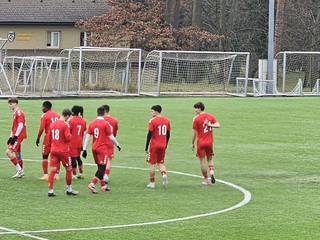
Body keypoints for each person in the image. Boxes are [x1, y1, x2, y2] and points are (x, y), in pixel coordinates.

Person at [82, 107, 121, 194]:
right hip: (102, 148)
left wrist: (84, 149)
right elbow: (111, 137)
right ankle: (92, 184)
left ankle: (103, 186)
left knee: (100, 167)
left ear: (97, 113)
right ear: (104, 114)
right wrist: (117, 144)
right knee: (102, 167)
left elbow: (88, 137)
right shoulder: (105, 123)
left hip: (94, 148)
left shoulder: (92, 123)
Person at [47, 109, 78, 197]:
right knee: (69, 168)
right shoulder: (65, 125)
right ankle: (69, 189)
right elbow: (68, 138)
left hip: (53, 150)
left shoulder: (52, 124)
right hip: (63, 150)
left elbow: (49, 138)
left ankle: (50, 190)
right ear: (67, 116)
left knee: (53, 170)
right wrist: (71, 135)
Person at [191, 102, 220, 186]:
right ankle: (211, 171)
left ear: (199, 108)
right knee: (210, 159)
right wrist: (210, 125)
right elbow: (218, 125)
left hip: (201, 142)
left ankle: (206, 180)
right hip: (209, 141)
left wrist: (192, 143)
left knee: (202, 161)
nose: (194, 110)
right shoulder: (210, 116)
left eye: (195, 108)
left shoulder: (196, 119)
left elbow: (195, 133)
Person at [145, 105, 170, 189]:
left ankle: (152, 183)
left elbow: (149, 134)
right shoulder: (167, 121)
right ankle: (164, 174)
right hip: (163, 145)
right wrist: (166, 144)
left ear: (156, 111)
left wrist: (146, 146)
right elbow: (168, 134)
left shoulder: (152, 121)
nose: (151, 113)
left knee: (152, 163)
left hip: (154, 145)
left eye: (152, 111)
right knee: (161, 162)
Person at [36, 101, 60, 181]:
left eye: (42, 107)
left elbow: (42, 128)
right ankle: (57, 175)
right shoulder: (57, 115)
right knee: (56, 156)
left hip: (48, 137)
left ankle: (46, 175)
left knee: (45, 156)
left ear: (45, 107)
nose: (42, 109)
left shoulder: (45, 116)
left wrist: (38, 137)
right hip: (56, 138)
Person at [6, 97, 27, 178]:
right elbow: (14, 126)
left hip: (18, 136)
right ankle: (21, 172)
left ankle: (19, 170)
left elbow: (21, 125)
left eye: (11, 104)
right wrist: (10, 137)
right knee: (18, 154)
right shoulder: (15, 113)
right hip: (16, 135)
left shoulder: (19, 113)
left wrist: (15, 137)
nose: (9, 106)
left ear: (15, 103)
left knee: (8, 152)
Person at [101, 104, 119, 183]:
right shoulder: (114, 120)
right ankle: (106, 175)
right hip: (110, 142)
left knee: (101, 159)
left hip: (101, 142)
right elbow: (115, 133)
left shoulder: (101, 120)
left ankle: (101, 175)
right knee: (109, 159)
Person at [69, 105, 86, 179]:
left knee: (73, 158)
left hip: (72, 142)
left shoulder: (71, 120)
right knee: (78, 157)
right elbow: (83, 132)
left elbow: (69, 132)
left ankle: (74, 174)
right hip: (79, 141)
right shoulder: (83, 120)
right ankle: (81, 172)